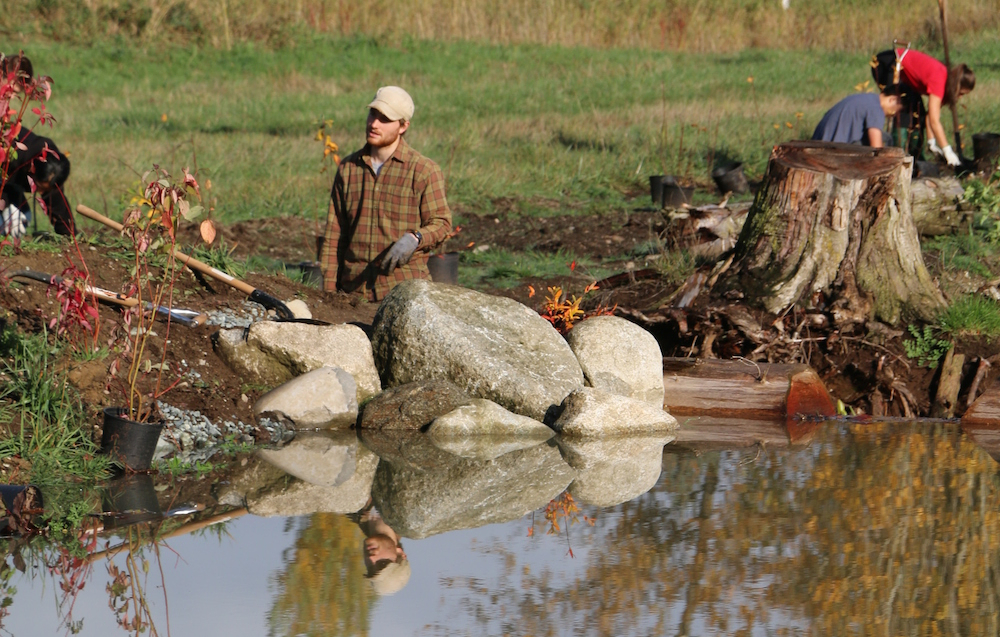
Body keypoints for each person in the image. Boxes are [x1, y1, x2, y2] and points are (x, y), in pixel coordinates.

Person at [320, 86, 452, 301]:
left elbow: (442, 224)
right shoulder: (348, 169)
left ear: (403, 126)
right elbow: (334, 235)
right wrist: (328, 295)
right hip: (353, 295)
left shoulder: (424, 171)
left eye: (385, 119)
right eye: (373, 114)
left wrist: (416, 238)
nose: (374, 124)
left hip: (404, 295)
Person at [0, 52, 75, 236]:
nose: (39, 191)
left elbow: (55, 198)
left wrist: (69, 234)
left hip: (8, 184)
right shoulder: (16, 155)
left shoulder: (49, 165)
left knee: (22, 218)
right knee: (15, 220)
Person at [870, 47, 975, 166]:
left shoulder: (945, 82)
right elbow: (934, 121)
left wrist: (931, 142)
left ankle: (915, 158)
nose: (960, 97)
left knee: (918, 111)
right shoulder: (939, 79)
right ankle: (897, 158)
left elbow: (930, 115)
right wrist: (947, 150)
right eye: (961, 93)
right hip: (887, 63)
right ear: (956, 87)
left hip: (903, 74)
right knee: (902, 110)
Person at [812, 85, 903, 147]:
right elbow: (876, 148)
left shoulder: (867, 99)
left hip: (819, 142)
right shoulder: (876, 108)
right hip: (831, 150)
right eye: (897, 111)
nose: (894, 115)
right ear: (892, 100)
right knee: (886, 139)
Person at [351, 502, 411, 596]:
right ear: (400, 553)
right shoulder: (408, 508)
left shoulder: (351, 510)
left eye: (370, 567)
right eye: (382, 563)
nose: (371, 558)